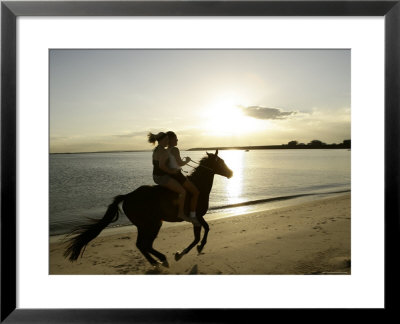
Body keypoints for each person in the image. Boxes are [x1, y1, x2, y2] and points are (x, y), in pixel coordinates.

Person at [147, 132, 197, 224]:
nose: (167, 141)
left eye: (167, 140)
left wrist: (171, 170)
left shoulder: (157, 149)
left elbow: (158, 164)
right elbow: (163, 166)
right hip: (162, 177)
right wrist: (185, 162)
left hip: (157, 175)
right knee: (184, 191)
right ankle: (182, 213)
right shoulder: (165, 151)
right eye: (166, 140)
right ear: (162, 140)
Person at [166, 131, 200, 223]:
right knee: (195, 192)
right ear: (171, 140)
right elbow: (180, 163)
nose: (177, 140)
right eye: (176, 138)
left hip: (170, 175)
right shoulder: (175, 149)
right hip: (177, 175)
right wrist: (188, 160)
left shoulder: (166, 150)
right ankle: (192, 215)